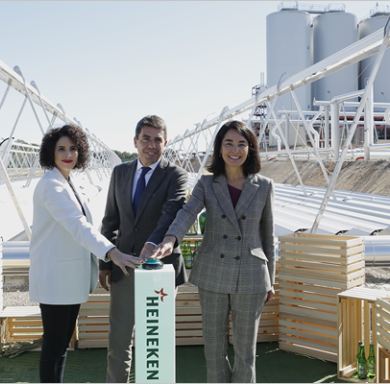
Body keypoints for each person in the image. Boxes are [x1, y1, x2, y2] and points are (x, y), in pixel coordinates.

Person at [150, 120, 275, 383]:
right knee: (214, 350)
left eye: (242, 144)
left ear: (250, 149)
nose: (235, 149)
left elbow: (267, 235)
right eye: (228, 143)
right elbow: (187, 212)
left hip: (252, 276)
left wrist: (271, 280)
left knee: (245, 354)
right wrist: (171, 238)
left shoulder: (263, 185)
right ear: (219, 148)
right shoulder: (206, 184)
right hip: (213, 274)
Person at [29, 125, 143, 383]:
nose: (68, 154)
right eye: (61, 149)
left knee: (60, 346)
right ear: (51, 152)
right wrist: (111, 251)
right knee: (54, 346)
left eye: (73, 148)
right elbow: (77, 225)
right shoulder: (51, 186)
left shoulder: (67, 181)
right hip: (56, 280)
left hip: (67, 280)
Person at [99, 115, 189, 382]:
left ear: (165, 142)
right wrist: (105, 263)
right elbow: (110, 219)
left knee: (156, 342)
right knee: (119, 340)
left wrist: (152, 244)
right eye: (146, 138)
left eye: (157, 139)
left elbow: (172, 213)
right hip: (124, 266)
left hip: (160, 269)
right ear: (135, 141)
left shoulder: (175, 175)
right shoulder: (120, 173)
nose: (151, 144)